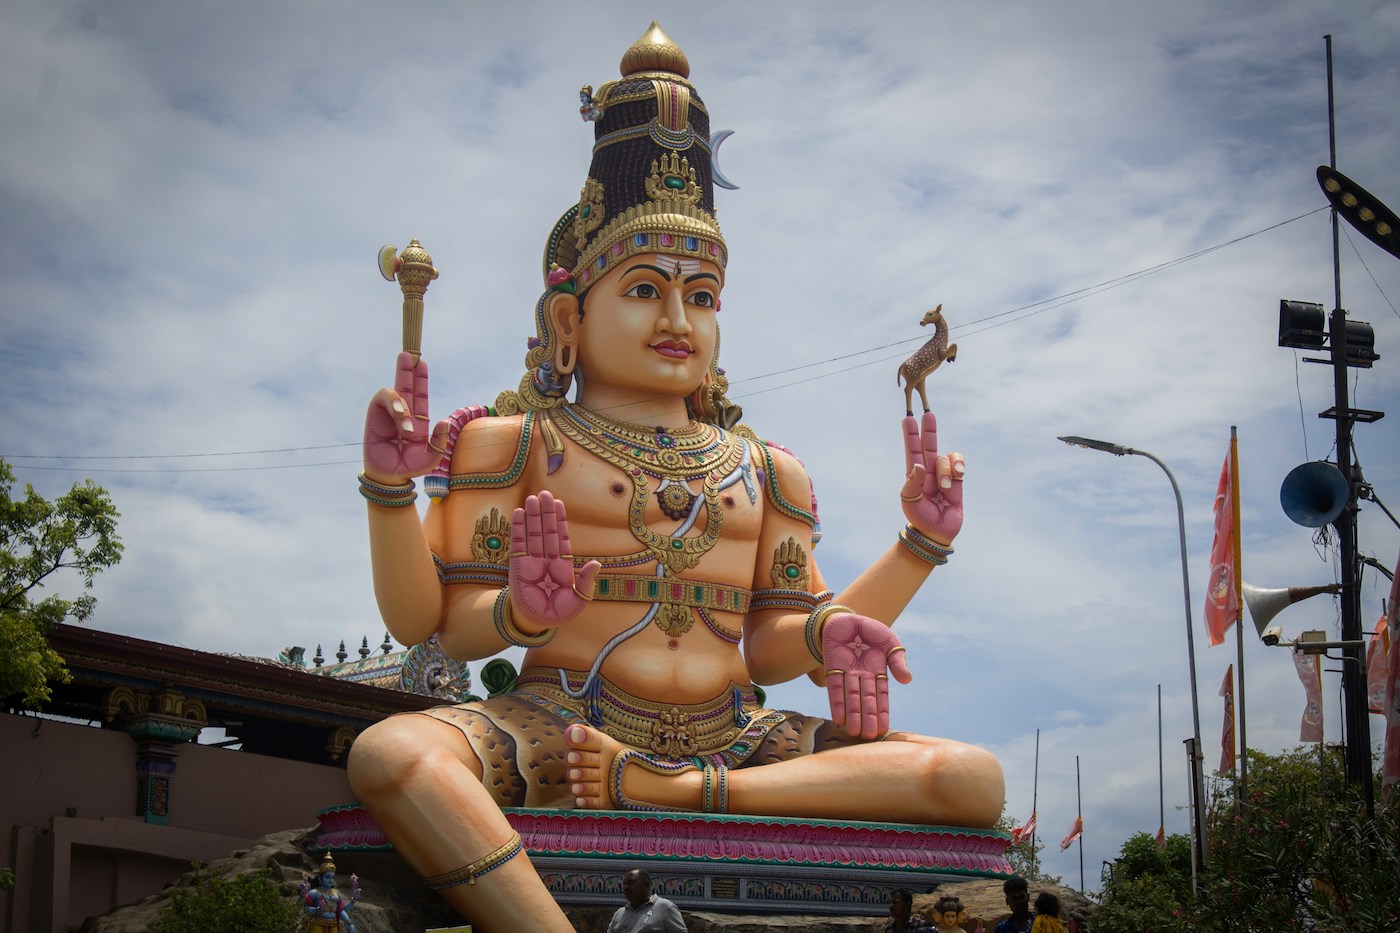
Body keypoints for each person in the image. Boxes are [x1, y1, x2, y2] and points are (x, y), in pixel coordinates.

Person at [346, 21, 1003, 933]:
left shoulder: (768, 471)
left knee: (968, 776)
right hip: (556, 724)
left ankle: (683, 791)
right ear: (572, 316)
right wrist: (423, 524)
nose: (679, 318)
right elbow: (433, 628)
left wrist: (916, 552)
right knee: (394, 757)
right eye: (646, 287)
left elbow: (776, 645)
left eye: (701, 296)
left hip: (732, 737)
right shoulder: (517, 442)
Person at [608, 868, 687, 933]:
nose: (626, 887)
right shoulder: (619, 913)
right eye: (624, 883)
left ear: (646, 884)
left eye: (631, 882)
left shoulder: (665, 907)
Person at [300, 852, 358, 932]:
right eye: (327, 877)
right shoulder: (314, 893)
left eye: (332, 877)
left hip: (333, 926)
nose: (331, 880)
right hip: (317, 925)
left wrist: (349, 923)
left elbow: (341, 911)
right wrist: (314, 909)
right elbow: (303, 908)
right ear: (320, 879)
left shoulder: (336, 894)